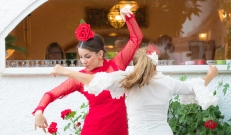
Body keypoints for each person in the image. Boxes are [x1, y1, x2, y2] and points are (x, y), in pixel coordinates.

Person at [50, 45, 219, 135]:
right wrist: (211, 74)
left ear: (135, 65)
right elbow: (194, 87)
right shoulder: (167, 82)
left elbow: (96, 80)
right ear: (156, 64)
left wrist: (66, 71)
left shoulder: (128, 81)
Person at [33, 5, 143, 135]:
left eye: (88, 56)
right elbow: (51, 94)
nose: (83, 61)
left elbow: (136, 38)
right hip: (93, 130)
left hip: (119, 130)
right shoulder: (80, 78)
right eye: (80, 57)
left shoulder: (117, 65)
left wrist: (128, 16)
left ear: (100, 54)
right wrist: (39, 111)